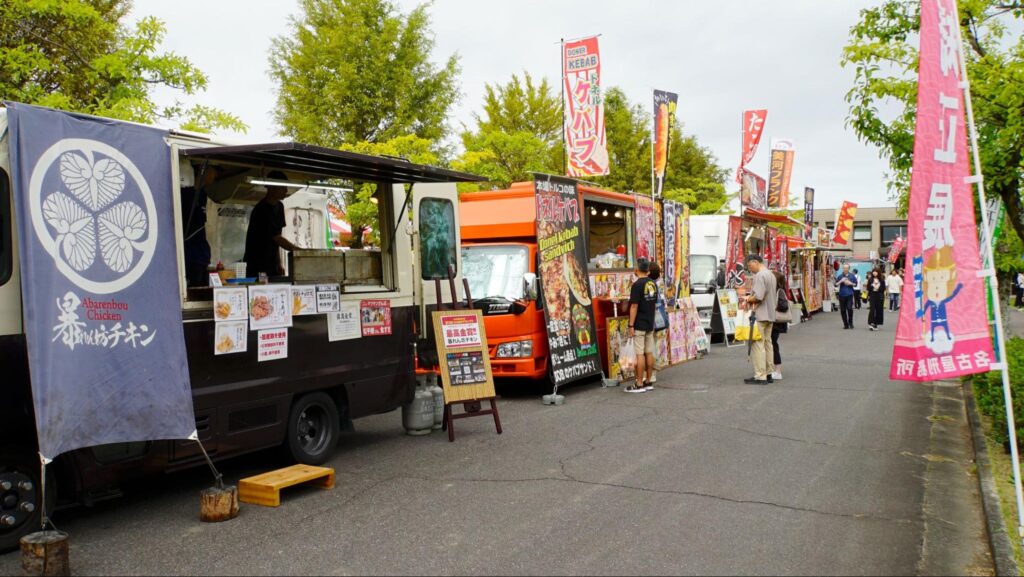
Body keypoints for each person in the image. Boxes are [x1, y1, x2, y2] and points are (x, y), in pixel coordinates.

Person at [243, 170, 301, 279]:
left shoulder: (279, 206)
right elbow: (277, 238)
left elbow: (277, 238)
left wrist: (278, 263)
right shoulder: (261, 210)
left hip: (272, 264)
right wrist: (298, 250)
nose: (286, 190)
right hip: (256, 265)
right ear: (272, 187)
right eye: (283, 187)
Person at [743, 255, 777, 385]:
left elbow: (758, 296)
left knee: (758, 345)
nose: (749, 269)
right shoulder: (771, 275)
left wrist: (747, 299)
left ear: (755, 262)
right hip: (770, 314)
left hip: (760, 315)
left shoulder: (760, 276)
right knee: (768, 344)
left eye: (750, 266)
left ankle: (760, 375)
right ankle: (769, 373)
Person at [627, 258, 659, 393]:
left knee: (639, 354)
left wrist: (630, 325)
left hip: (639, 323)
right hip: (650, 322)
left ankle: (639, 383)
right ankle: (648, 380)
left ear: (637, 269)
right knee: (649, 352)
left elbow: (634, 306)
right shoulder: (653, 284)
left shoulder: (637, 285)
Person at [647, 262, 668, 388]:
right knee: (652, 345)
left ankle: (652, 372)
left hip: (650, 319)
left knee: (649, 347)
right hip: (657, 319)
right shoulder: (656, 285)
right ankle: (653, 371)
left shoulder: (649, 285)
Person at [771, 270, 789, 381]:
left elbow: (784, 306)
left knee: (773, 345)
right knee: (772, 344)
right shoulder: (776, 290)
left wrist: (773, 307)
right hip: (775, 322)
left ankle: (777, 370)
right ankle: (774, 369)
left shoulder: (779, 291)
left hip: (776, 322)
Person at [835, 264, 857, 329]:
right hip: (841, 295)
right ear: (842, 269)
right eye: (844, 268)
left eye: (847, 268)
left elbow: (855, 284)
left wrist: (851, 283)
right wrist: (841, 281)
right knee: (843, 310)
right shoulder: (840, 276)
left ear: (849, 269)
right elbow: (835, 284)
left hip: (850, 294)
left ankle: (850, 322)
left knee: (850, 308)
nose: (845, 269)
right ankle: (845, 324)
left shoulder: (852, 276)